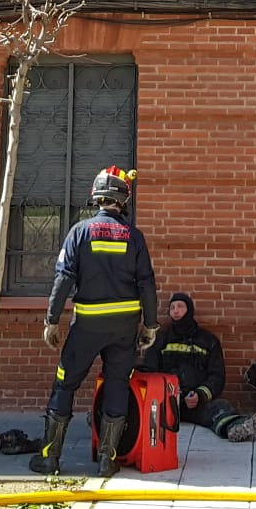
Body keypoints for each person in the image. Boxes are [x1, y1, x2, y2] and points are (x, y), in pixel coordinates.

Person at [33, 166, 156, 476]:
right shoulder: (134, 236)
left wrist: (51, 320)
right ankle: (107, 460)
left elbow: (64, 279)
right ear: (124, 199)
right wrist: (150, 325)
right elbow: (147, 283)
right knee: (117, 385)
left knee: (65, 384)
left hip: (87, 324)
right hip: (125, 326)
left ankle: (50, 457)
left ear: (97, 197)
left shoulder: (80, 231)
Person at [139, 292, 256, 443]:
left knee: (221, 408)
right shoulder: (160, 340)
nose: (176, 311)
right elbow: (150, 372)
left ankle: (237, 427)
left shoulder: (207, 340)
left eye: (180, 307)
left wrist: (199, 395)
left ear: (189, 310)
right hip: (166, 402)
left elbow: (217, 377)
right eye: (172, 308)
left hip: (196, 403)